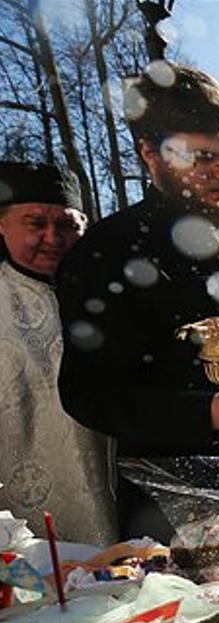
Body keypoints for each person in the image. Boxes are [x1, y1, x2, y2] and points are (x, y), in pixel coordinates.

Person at [56, 65, 219, 540]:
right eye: (201, 159)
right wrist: (210, 411)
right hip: (165, 511)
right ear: (151, 157)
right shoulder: (106, 251)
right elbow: (87, 393)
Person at [0, 161, 117, 545]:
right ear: (3, 225)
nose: (53, 237)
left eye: (67, 225)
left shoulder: (113, 293)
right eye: (35, 223)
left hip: (123, 500)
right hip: (24, 522)